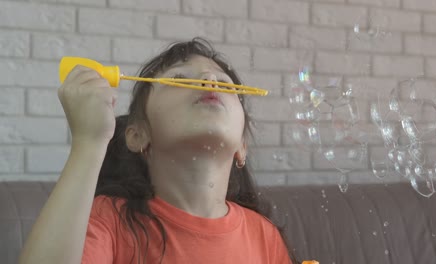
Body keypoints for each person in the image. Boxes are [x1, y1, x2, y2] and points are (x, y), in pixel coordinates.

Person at [19, 37, 299, 264]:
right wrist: (88, 142)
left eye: (224, 83)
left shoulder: (265, 236)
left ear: (242, 146)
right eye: (181, 79)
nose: (209, 82)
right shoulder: (111, 222)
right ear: (138, 135)